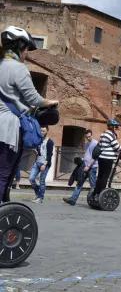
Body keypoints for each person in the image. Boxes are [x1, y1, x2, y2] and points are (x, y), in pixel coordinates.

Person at [0, 26, 59, 203]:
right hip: (7, 128)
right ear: (19, 47)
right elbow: (33, 98)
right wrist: (50, 102)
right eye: (26, 49)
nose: (27, 54)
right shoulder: (18, 68)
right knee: (4, 173)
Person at [63, 129, 98, 206]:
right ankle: (73, 200)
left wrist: (88, 166)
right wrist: (81, 160)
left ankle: (95, 200)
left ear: (91, 135)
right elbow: (87, 154)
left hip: (92, 167)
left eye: (89, 136)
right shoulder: (86, 144)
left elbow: (95, 156)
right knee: (79, 183)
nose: (88, 138)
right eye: (86, 137)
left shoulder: (95, 143)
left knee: (93, 185)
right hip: (84, 166)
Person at [90, 119, 121, 200]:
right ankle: (100, 194)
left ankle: (95, 193)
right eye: (114, 126)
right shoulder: (110, 135)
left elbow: (100, 145)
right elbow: (117, 147)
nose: (115, 128)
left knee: (100, 176)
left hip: (101, 158)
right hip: (108, 158)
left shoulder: (103, 134)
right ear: (111, 127)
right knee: (105, 177)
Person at [28, 126, 54, 203]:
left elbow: (50, 154)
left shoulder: (50, 142)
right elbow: (40, 152)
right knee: (31, 178)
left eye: (43, 131)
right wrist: (36, 151)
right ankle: (38, 194)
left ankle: (40, 198)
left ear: (47, 131)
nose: (42, 132)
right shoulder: (39, 140)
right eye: (41, 131)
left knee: (42, 181)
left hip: (44, 164)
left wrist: (44, 164)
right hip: (37, 162)